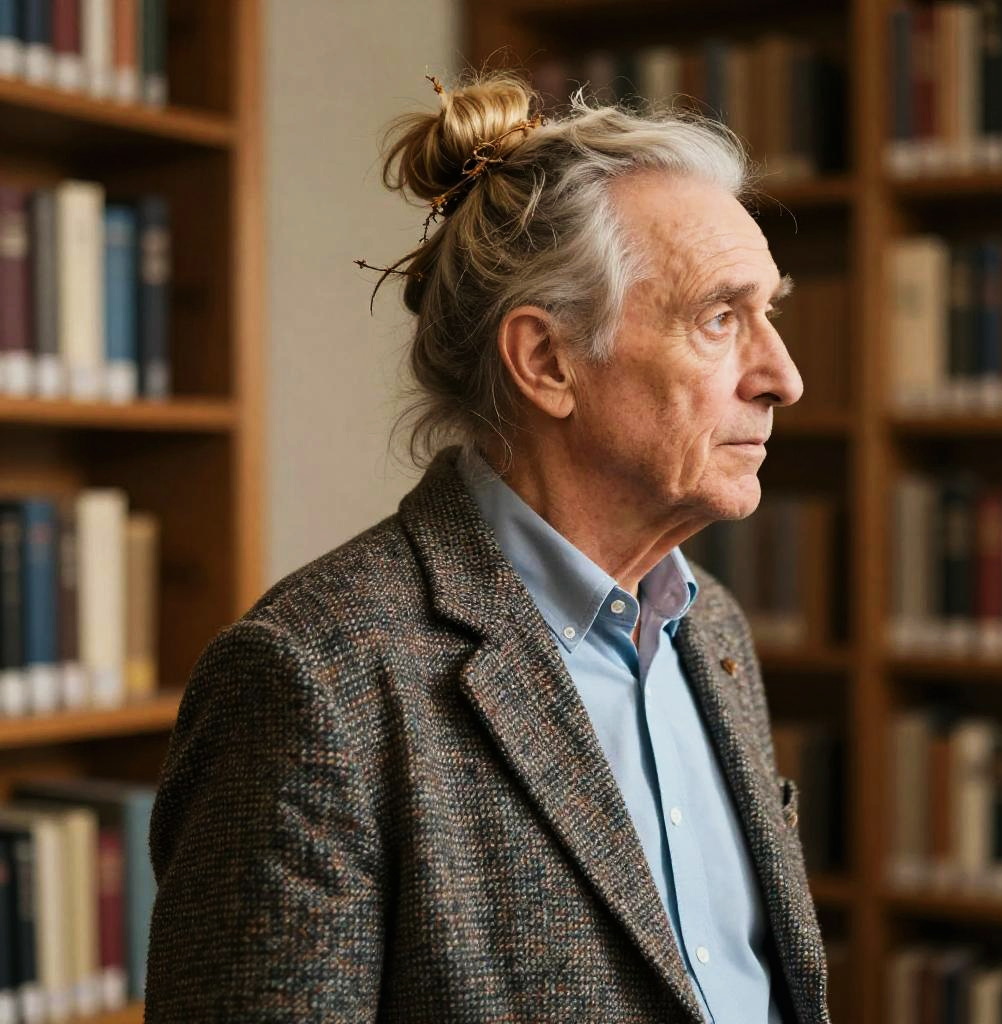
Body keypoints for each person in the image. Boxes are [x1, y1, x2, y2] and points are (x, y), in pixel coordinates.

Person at [144, 72, 830, 1024]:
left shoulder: (711, 628)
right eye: (720, 318)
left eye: (770, 314)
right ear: (547, 362)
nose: (783, 377)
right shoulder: (309, 682)